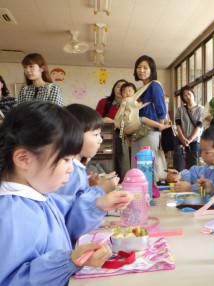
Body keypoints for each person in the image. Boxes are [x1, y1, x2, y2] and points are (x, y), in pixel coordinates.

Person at [0, 101, 132, 285]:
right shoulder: (11, 214)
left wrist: (98, 205)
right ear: (24, 159)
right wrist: (69, 261)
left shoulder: (41, 198)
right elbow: (13, 280)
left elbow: (69, 222)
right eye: (65, 159)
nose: (71, 169)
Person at [55, 103, 120, 227]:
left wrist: (90, 185)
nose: (100, 140)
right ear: (74, 135)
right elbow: (70, 218)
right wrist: (100, 190)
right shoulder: (69, 170)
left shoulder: (76, 167)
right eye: (95, 135)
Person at [129, 55, 168, 173]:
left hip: (150, 131)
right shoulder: (142, 89)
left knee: (148, 167)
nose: (141, 70)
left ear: (152, 70)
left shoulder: (154, 85)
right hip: (139, 131)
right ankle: (139, 190)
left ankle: (151, 191)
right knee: (139, 166)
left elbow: (161, 108)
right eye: (139, 67)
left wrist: (159, 129)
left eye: (145, 68)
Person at [167, 125, 214, 193]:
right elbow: (193, 172)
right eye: (202, 150)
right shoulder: (209, 168)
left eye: (206, 152)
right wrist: (179, 176)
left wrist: (190, 188)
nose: (202, 154)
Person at [95, 79, 130, 180]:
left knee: (123, 165)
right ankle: (105, 185)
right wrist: (104, 119)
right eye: (118, 86)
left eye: (124, 88)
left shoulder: (129, 105)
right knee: (106, 163)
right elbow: (94, 120)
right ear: (113, 88)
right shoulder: (104, 102)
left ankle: (123, 185)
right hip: (105, 137)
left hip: (122, 137)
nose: (120, 89)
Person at [174, 85, 204, 171]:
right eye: (184, 95)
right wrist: (183, 138)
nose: (187, 96)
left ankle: (191, 183)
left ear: (193, 94)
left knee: (193, 166)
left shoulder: (201, 109)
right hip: (181, 141)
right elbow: (178, 125)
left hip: (194, 141)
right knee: (179, 165)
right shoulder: (180, 109)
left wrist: (190, 139)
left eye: (189, 93)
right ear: (182, 98)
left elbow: (199, 125)